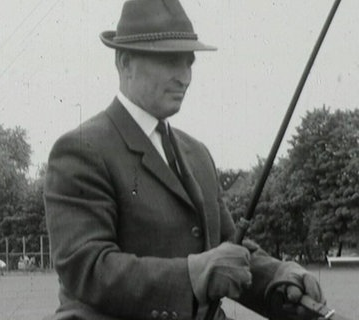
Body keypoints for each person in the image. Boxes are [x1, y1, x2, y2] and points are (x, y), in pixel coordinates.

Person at [44, 1, 326, 319]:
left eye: (188, 62)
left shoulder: (198, 155)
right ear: (125, 63)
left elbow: (226, 249)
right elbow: (87, 268)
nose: (184, 77)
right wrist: (193, 275)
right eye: (169, 61)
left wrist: (278, 278)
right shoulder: (82, 150)